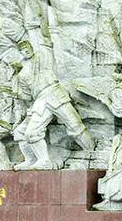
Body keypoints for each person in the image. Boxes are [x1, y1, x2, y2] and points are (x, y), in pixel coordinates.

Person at [12, 39, 94, 169]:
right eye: (23, 49)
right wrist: (16, 91)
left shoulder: (43, 56)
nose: (26, 50)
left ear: (31, 47)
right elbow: (27, 97)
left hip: (55, 93)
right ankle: (39, 160)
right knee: (29, 133)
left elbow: (46, 38)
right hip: (40, 100)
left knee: (75, 126)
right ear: (20, 53)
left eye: (27, 47)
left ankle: (92, 152)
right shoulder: (21, 74)